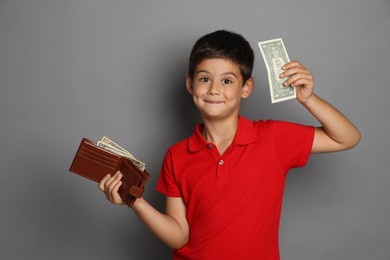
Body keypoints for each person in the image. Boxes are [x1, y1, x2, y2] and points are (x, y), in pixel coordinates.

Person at [99, 30, 361, 259]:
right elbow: (179, 236)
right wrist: (134, 201)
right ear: (190, 84)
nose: (214, 89)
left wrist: (308, 99)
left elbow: (347, 137)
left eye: (227, 81)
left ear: (246, 88)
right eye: (204, 79)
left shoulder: (273, 138)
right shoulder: (176, 156)